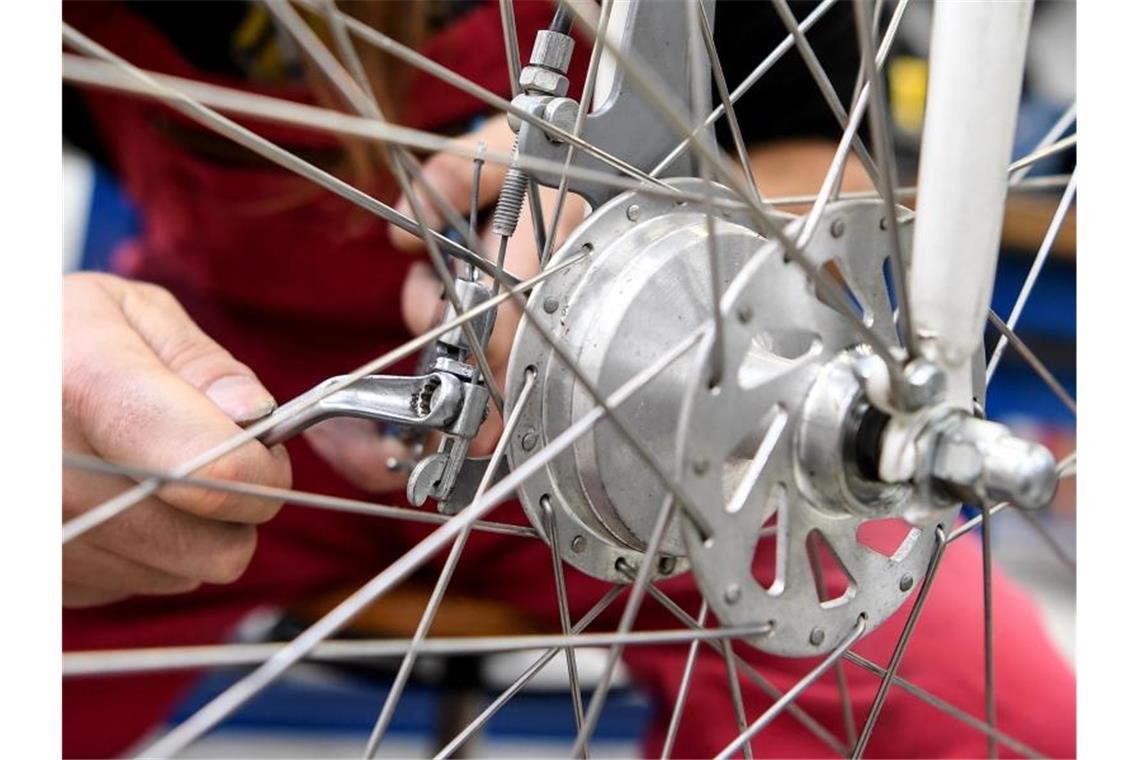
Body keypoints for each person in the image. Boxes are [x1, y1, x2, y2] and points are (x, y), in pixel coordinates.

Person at [63, 1, 1076, 757]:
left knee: (1004, 725)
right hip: (230, 379)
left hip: (658, 402)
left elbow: (835, 162)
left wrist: (644, 255)